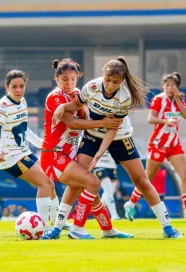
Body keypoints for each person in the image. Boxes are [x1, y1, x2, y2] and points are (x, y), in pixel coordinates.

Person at [52, 56, 181, 238]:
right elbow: (78, 103)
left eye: (115, 82)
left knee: (142, 180)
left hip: (119, 137)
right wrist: (64, 106)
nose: (111, 85)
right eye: (108, 80)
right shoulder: (92, 86)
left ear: (122, 81)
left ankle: (168, 227)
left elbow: (112, 129)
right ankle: (57, 227)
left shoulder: (124, 97)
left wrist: (98, 155)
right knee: (79, 179)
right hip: (93, 135)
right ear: (102, 76)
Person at [40, 58, 132, 240]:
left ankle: (105, 230)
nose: (69, 83)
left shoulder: (77, 94)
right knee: (93, 184)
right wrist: (103, 122)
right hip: (53, 155)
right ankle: (76, 229)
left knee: (88, 193)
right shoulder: (55, 97)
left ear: (78, 78)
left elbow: (84, 115)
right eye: (65, 79)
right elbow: (72, 123)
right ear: (56, 79)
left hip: (70, 154)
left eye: (73, 79)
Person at [125, 72, 186, 221]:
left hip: (174, 144)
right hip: (158, 144)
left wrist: (178, 100)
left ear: (177, 87)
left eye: (173, 85)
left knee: (185, 175)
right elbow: (150, 119)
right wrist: (165, 121)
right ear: (163, 86)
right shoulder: (158, 99)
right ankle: (130, 204)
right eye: (167, 85)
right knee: (147, 178)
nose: (169, 88)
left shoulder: (179, 100)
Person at [0, 70, 54, 227]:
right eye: (14, 87)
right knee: (45, 183)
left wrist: (43, 145)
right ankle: (43, 227)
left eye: (22, 86)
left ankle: (57, 224)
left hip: (23, 152)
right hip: (11, 157)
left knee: (51, 183)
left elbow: (24, 129)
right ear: (6, 87)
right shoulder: (2, 107)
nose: (19, 90)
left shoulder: (22, 102)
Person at [92, 151, 121, 220]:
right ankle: (114, 215)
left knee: (110, 192)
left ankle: (97, 212)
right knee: (108, 190)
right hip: (99, 164)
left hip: (112, 164)